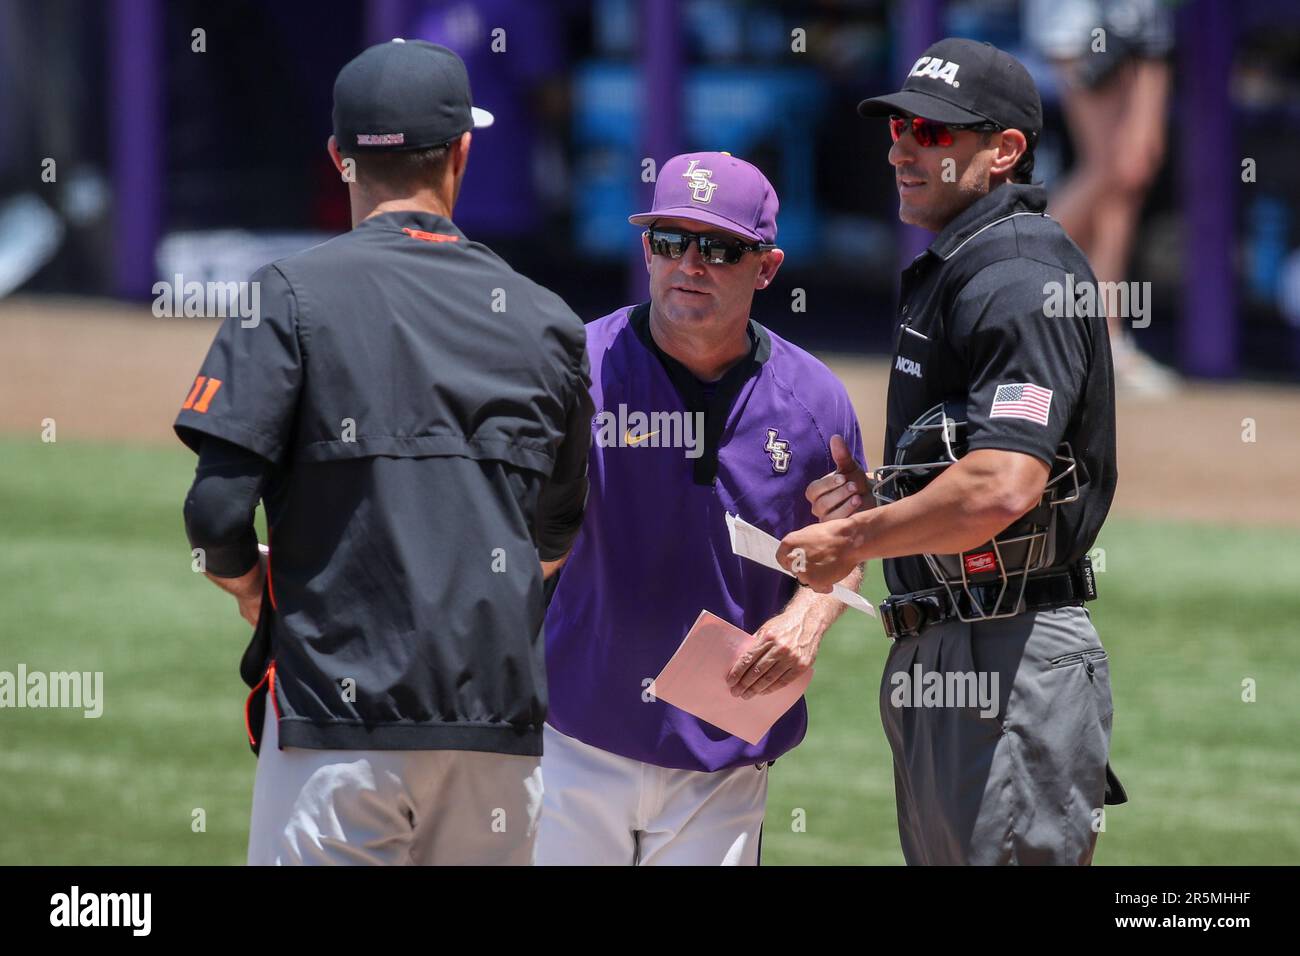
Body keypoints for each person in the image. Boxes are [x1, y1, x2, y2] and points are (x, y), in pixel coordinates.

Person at [175, 39, 592, 865]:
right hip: (496, 739)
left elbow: (215, 511)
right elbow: (555, 534)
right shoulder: (547, 320)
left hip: (338, 730)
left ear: (338, 157)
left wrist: (254, 587)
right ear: (464, 152)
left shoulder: (289, 295)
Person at [778, 38, 1126, 865]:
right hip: (953, 647)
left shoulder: (1018, 274)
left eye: (934, 134)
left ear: (1004, 150)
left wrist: (854, 540)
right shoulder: (965, 264)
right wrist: (884, 504)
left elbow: (1004, 483)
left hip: (1007, 652)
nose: (903, 146)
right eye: (898, 126)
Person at [534, 152, 866, 866]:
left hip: (723, 759)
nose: (689, 263)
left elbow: (840, 556)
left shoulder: (815, 404)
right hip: (570, 737)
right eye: (668, 241)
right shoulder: (575, 370)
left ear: (767, 267)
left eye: (718, 248)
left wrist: (808, 618)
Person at [1024, 0, 1178, 395]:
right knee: (1112, 167)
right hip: (1084, 21)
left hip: (1140, 27)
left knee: (1126, 181)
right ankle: (1009, 267)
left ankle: (1106, 342)